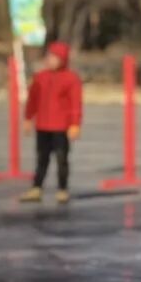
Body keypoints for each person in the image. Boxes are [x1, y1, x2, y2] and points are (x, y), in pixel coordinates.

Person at [20, 42, 82, 205]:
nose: (51, 60)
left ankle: (62, 189)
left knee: (62, 159)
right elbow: (33, 99)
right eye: (50, 57)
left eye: (55, 57)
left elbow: (75, 103)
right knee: (42, 158)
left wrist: (75, 124)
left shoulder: (71, 79)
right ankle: (36, 188)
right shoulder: (41, 77)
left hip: (61, 127)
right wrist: (28, 118)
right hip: (43, 125)